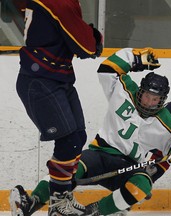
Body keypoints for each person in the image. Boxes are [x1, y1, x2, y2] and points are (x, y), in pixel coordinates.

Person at [10, 47, 171, 216]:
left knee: (142, 185)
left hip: (129, 166)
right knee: (68, 169)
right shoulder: (124, 90)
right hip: (99, 154)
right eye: (147, 96)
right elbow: (107, 68)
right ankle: (30, 203)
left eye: (155, 99)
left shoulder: (167, 122)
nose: (149, 102)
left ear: (162, 100)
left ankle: (94, 213)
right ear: (140, 91)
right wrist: (133, 57)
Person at [12, 0, 103, 215]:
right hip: (40, 79)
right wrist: (94, 36)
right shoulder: (58, 2)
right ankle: (59, 204)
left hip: (57, 77)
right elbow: (86, 47)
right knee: (68, 140)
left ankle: (59, 200)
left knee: (78, 137)